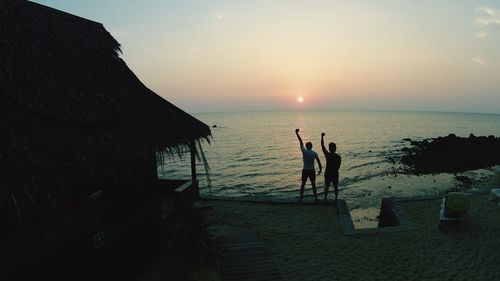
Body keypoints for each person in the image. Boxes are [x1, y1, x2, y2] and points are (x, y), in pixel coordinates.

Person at [295, 129, 322, 202]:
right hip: (312, 170)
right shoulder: (314, 153)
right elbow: (319, 162)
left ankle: (301, 198)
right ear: (311, 146)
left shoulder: (304, 151)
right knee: (313, 185)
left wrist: (296, 133)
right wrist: (320, 170)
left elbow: (300, 141)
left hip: (305, 170)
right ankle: (316, 198)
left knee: (303, 184)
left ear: (306, 146)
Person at [321, 132, 341, 203]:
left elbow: (322, 146)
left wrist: (322, 137)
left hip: (328, 173)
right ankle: (336, 198)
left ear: (329, 149)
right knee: (335, 187)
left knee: (327, 186)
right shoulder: (338, 157)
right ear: (335, 148)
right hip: (335, 173)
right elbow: (338, 167)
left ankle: (325, 198)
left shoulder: (328, 155)